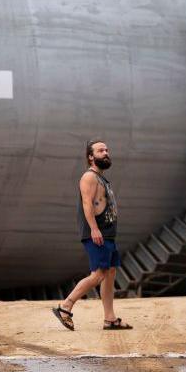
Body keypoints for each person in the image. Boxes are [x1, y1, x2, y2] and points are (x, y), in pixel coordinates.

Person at [51, 140, 132, 331]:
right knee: (98, 275)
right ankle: (65, 307)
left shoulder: (101, 178)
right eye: (100, 150)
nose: (106, 153)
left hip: (108, 233)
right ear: (90, 156)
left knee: (110, 272)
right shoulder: (89, 177)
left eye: (107, 150)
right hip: (97, 234)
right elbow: (87, 205)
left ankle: (110, 319)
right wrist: (94, 229)